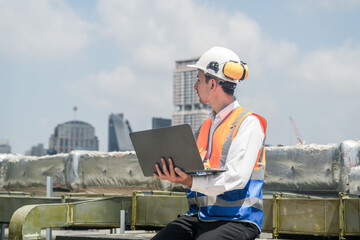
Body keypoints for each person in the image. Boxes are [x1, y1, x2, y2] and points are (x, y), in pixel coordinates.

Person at [152, 46, 267, 240]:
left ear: (212, 84)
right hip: (200, 217)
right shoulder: (206, 126)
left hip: (238, 220)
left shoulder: (248, 123)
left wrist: (190, 181)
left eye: (198, 79)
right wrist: (174, 172)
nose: (195, 86)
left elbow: (235, 178)